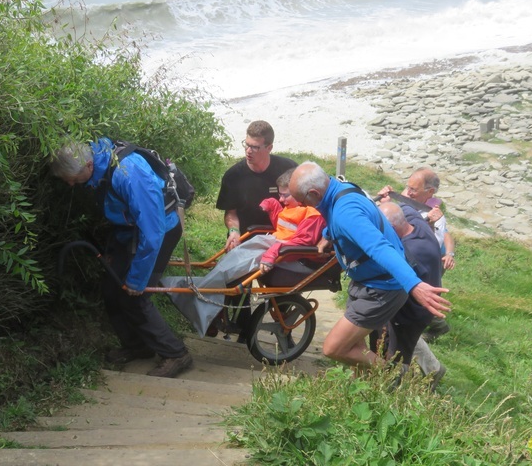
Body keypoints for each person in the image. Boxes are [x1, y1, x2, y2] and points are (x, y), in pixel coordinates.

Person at [50, 137, 193, 378]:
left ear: (87, 166)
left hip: (160, 232)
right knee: (111, 288)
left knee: (134, 296)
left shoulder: (130, 173)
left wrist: (137, 280)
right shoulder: (98, 162)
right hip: (130, 232)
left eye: (72, 179)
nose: (71, 185)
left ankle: (176, 354)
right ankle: (138, 346)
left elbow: (153, 232)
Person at [289, 161, 451, 370]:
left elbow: (380, 247)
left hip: (381, 287)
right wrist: (328, 234)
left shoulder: (345, 214)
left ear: (314, 192)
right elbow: (342, 215)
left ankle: (393, 375)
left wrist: (414, 285)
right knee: (354, 347)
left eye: (303, 201)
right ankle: (368, 387)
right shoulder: (340, 188)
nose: (303, 206)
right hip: (366, 281)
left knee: (334, 348)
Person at [163, 168, 326, 337]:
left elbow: (300, 242)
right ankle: (200, 293)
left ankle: (195, 293)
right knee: (232, 258)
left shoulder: (311, 214)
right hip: (274, 243)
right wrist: (273, 206)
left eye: (285, 195)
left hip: (284, 252)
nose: (281, 198)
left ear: (298, 192)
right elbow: (284, 225)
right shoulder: (293, 206)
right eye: (280, 195)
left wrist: (272, 253)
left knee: (233, 268)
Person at [215, 120, 298, 339]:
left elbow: (306, 203)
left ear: (269, 147)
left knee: (281, 285)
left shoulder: (288, 169)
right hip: (245, 235)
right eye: (246, 144)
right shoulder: (234, 175)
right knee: (237, 282)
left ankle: (283, 327)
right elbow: (230, 212)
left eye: (255, 147)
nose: (248, 151)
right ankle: (242, 328)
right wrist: (233, 232)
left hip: (282, 237)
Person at [377, 167, 455, 342]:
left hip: (429, 261)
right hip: (409, 255)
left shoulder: (435, 213)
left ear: (430, 192)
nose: (408, 193)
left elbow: (434, 241)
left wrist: (449, 253)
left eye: (413, 190)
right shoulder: (408, 197)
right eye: (408, 187)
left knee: (422, 294)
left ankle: (436, 327)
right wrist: (385, 201)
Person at [376, 202, 446, 390]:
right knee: (408, 340)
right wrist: (385, 200)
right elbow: (405, 206)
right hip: (423, 302)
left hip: (414, 310)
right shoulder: (417, 224)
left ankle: (391, 392)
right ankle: (434, 369)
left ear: (391, 228)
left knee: (399, 354)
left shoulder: (408, 252)